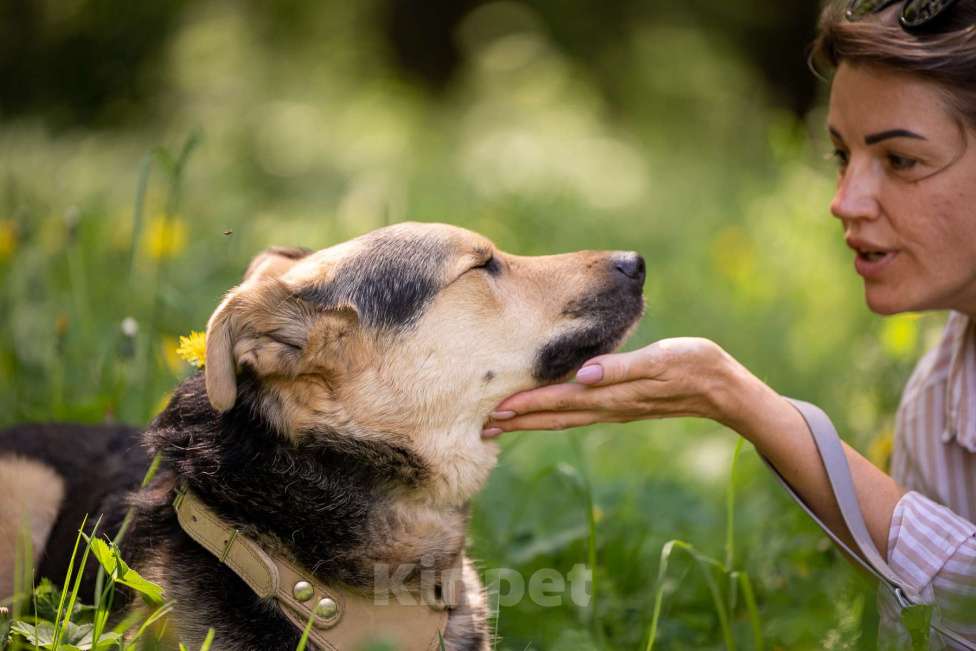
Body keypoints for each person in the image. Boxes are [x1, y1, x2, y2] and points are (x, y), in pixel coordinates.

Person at [481, 0, 976, 645]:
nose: (844, 201)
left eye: (901, 161)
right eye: (841, 156)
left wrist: (743, 402)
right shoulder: (939, 393)